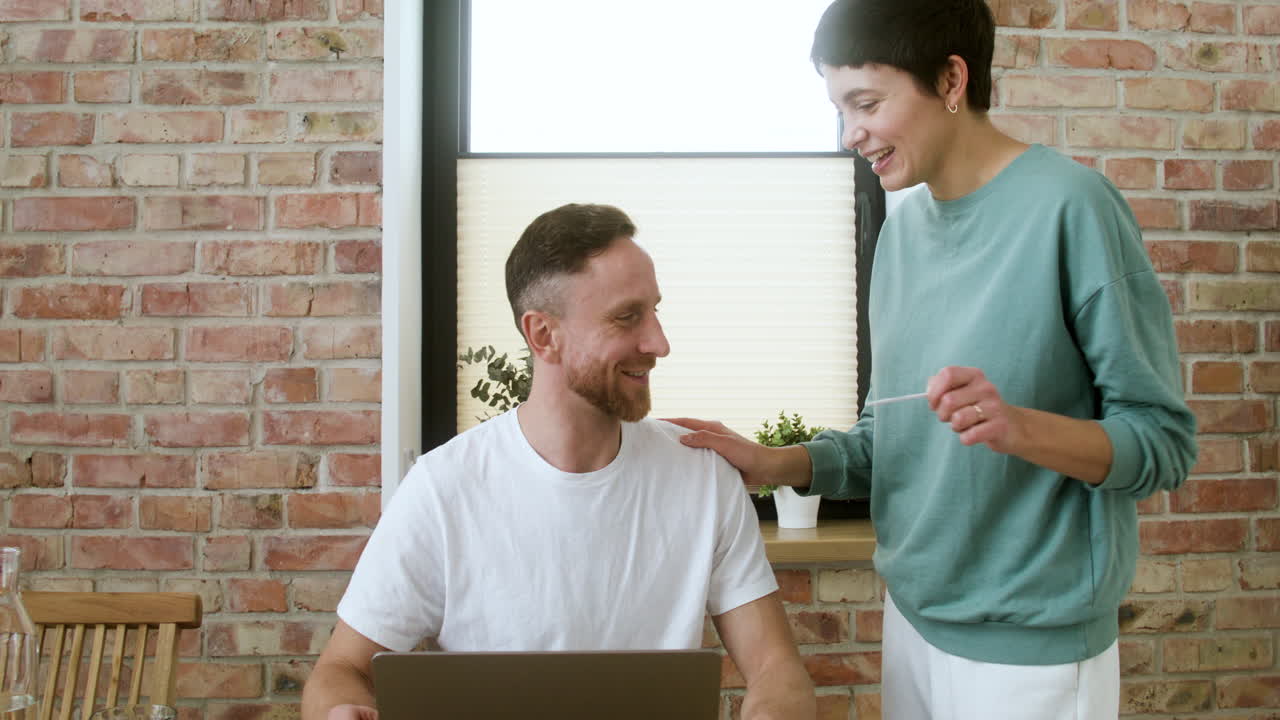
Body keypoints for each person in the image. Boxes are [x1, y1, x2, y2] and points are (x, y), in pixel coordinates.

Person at [671, 1, 1198, 718]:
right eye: (839, 109)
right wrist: (777, 463)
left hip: (1031, 652)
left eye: (867, 104)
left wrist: (1019, 428)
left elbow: (1163, 444)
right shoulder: (903, 232)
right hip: (913, 623)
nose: (850, 134)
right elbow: (891, 436)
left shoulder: (1073, 208)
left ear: (951, 79)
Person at [301, 203, 816, 720]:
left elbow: (775, 668)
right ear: (543, 335)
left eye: (655, 311)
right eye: (627, 317)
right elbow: (341, 670)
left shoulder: (703, 475)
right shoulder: (442, 488)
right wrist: (340, 711)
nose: (659, 343)